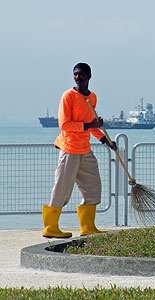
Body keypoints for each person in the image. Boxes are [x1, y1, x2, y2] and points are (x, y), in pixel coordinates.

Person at [42, 62, 117, 238]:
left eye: (81, 74)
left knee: (93, 186)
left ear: (89, 76)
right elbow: (65, 124)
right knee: (62, 188)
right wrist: (90, 124)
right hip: (69, 149)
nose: (78, 77)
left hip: (85, 149)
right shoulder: (68, 96)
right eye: (75, 74)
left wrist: (106, 140)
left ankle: (87, 227)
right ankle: (50, 227)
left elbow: (92, 126)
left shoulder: (92, 97)